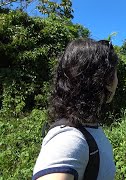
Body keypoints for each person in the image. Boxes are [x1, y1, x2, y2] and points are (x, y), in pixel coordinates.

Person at [32, 38, 119, 180]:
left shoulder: (88, 127)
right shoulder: (70, 139)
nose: (117, 81)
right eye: (115, 73)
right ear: (103, 79)